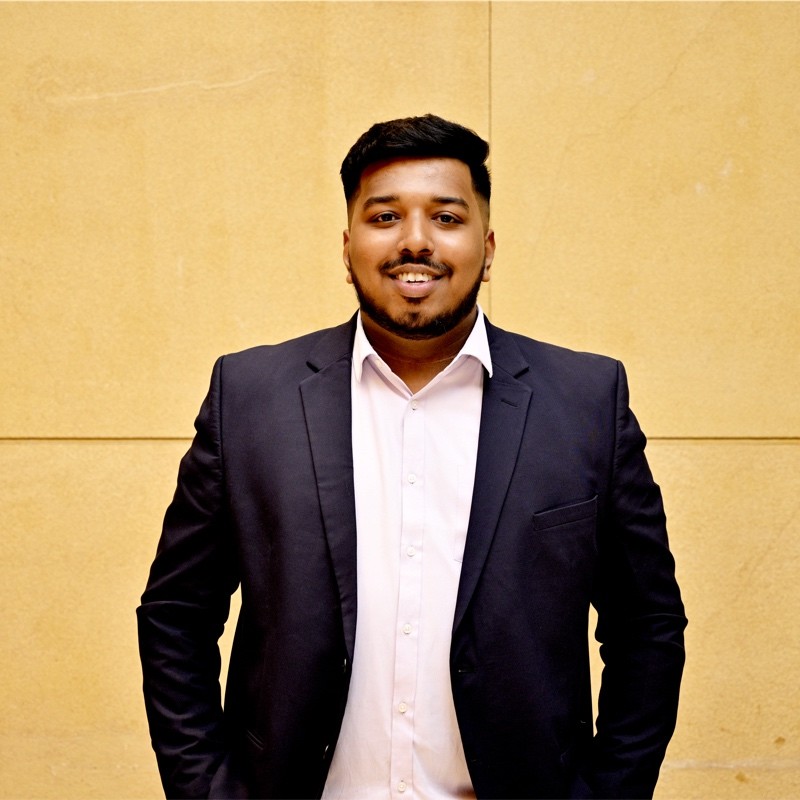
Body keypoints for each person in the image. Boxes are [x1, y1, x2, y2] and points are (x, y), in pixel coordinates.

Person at [138, 114, 686, 800]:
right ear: (347, 247)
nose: (416, 240)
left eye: (446, 217)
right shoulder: (250, 397)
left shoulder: (584, 402)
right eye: (385, 216)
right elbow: (176, 614)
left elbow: (647, 626)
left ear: (488, 248)